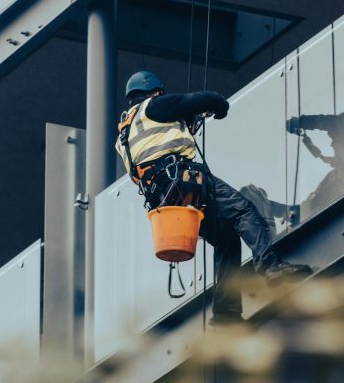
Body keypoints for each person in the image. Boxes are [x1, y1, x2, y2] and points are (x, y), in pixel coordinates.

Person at [115, 70, 311, 325]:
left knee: (225, 237)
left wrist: (190, 122)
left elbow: (158, 144)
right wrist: (219, 106)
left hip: (164, 198)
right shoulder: (155, 106)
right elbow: (204, 98)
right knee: (243, 210)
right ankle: (271, 268)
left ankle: (226, 313)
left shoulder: (124, 134)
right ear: (156, 92)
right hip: (182, 178)